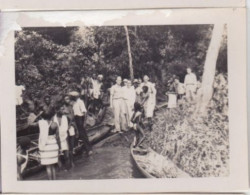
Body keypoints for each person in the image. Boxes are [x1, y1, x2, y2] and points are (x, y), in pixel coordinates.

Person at [38, 108, 61, 180]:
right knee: (53, 166)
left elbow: (30, 123)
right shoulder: (55, 124)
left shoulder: (41, 123)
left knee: (48, 167)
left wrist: (39, 115)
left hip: (46, 146)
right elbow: (57, 137)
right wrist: (59, 148)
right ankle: (54, 181)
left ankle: (50, 183)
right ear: (51, 116)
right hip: (53, 145)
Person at [54, 104, 70, 170]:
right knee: (57, 157)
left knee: (67, 155)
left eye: (63, 109)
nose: (63, 111)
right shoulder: (53, 118)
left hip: (64, 138)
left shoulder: (65, 117)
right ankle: (61, 170)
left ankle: (68, 170)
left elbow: (66, 130)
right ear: (57, 110)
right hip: (56, 139)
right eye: (61, 109)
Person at [62, 95, 76, 167]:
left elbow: (72, 117)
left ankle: (72, 161)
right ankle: (68, 163)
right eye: (66, 99)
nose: (67, 100)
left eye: (68, 99)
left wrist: (70, 124)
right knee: (66, 146)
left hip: (70, 127)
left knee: (71, 146)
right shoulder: (63, 108)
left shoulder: (71, 107)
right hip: (64, 128)